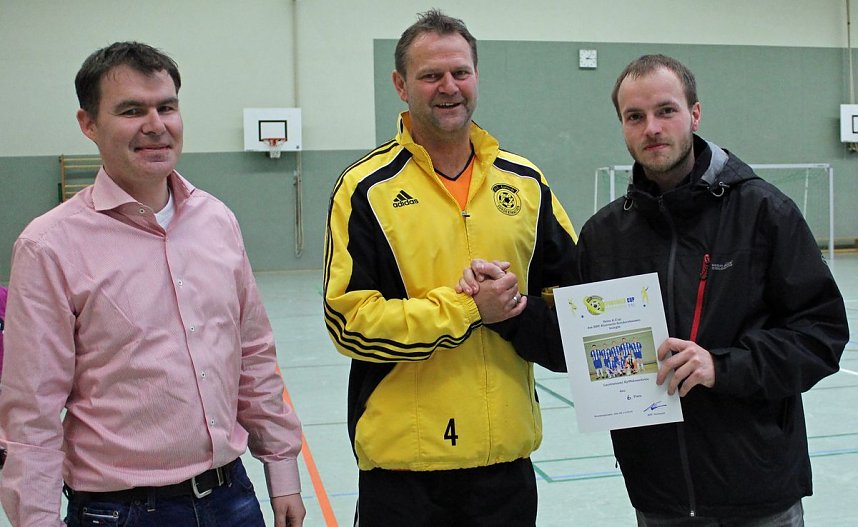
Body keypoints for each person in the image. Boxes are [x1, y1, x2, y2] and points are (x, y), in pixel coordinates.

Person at [463, 54, 849, 525]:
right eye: (635, 116)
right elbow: (575, 345)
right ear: (623, 126)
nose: (652, 128)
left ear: (695, 114)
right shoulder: (605, 236)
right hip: (658, 497)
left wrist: (720, 366)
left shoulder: (763, 212)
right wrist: (511, 310)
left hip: (759, 492)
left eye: (666, 110)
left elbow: (820, 333)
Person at [0, 42, 306, 527]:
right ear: (88, 124)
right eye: (131, 110)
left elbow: (253, 356)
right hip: (121, 511)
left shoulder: (217, 220)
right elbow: (31, 413)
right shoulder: (49, 246)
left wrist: (283, 471)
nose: (155, 124)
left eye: (167, 106)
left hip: (232, 497)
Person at [322, 9, 577, 526]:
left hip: (504, 464)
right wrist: (466, 309)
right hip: (404, 471)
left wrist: (514, 308)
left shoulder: (525, 182)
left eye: (460, 72)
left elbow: (575, 297)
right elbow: (348, 322)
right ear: (400, 84)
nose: (448, 87)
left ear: (476, 76)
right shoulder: (365, 189)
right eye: (430, 75)